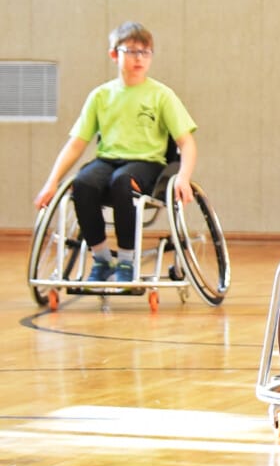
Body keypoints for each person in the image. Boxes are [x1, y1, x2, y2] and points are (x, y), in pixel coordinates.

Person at [33, 21, 198, 283]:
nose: (139, 58)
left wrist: (184, 177)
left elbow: (186, 142)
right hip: (108, 160)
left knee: (122, 181)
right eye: (131, 51)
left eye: (145, 52)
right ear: (114, 54)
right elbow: (76, 143)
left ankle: (125, 261)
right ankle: (101, 258)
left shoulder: (162, 95)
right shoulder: (100, 96)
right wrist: (51, 183)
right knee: (83, 183)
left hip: (147, 163)